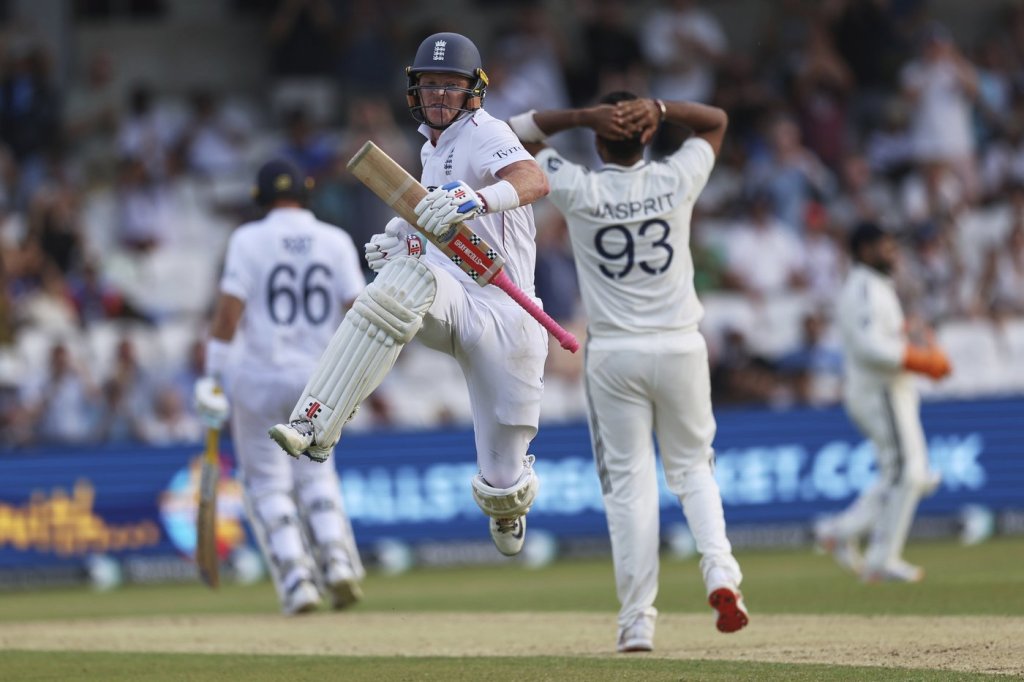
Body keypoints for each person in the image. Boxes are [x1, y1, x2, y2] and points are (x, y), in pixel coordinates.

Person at [268, 33, 551, 558]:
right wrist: (405, 240)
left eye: (450, 85)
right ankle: (316, 420)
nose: (439, 95)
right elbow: (441, 234)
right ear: (414, 90)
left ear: (474, 91)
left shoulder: (487, 132)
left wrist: (478, 199)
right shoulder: (429, 149)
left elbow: (533, 179)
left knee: (502, 480)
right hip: (455, 300)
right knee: (402, 281)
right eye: (430, 84)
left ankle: (508, 501)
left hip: (507, 314)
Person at [506, 92, 747, 652]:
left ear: (596, 141)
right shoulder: (674, 178)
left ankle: (638, 621)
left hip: (615, 353)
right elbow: (717, 122)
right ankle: (720, 571)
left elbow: (514, 136)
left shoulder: (578, 186)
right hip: (681, 344)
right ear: (647, 135)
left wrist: (577, 117)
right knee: (694, 469)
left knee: (629, 487)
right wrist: (661, 107)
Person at [194, 159, 366, 615]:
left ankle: (296, 579)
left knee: (269, 484)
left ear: (260, 198)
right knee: (317, 474)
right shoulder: (335, 240)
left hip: (261, 375)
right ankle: (337, 561)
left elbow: (228, 314)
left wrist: (212, 377)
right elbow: (358, 311)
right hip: (320, 380)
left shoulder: (247, 239)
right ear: (307, 192)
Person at [814, 222, 951, 583]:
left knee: (907, 475)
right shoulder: (861, 288)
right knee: (908, 473)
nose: (892, 252)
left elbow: (884, 336)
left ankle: (840, 532)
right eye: (884, 246)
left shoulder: (877, 286)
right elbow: (869, 347)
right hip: (879, 392)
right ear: (863, 250)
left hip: (890, 391)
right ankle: (880, 558)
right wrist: (920, 359)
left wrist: (912, 338)